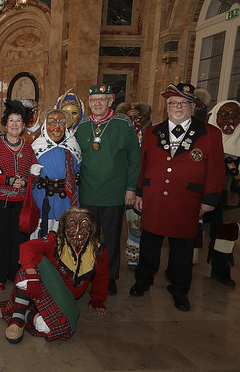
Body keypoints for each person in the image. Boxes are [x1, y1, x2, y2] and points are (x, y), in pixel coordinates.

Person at [130, 83, 225, 312]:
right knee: (149, 244)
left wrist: (209, 199)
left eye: (184, 103)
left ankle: (180, 289)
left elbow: (216, 170)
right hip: (154, 199)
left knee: (182, 250)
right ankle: (143, 280)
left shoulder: (210, 134)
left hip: (187, 202)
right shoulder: (152, 132)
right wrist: (140, 192)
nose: (178, 107)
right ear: (167, 107)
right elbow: (143, 165)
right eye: (173, 103)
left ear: (192, 107)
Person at [0, 207, 108, 343]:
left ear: (92, 229)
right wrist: (32, 277)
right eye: (72, 226)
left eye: (84, 226)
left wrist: (98, 298)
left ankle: (14, 311)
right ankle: (17, 320)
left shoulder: (98, 250)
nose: (78, 231)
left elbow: (102, 276)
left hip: (66, 298)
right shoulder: (54, 241)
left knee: (63, 329)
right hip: (46, 286)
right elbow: (26, 248)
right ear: (64, 228)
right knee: (29, 266)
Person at [74, 84, 141, 296]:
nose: (97, 104)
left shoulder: (124, 124)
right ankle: (88, 273)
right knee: (87, 236)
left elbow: (135, 158)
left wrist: (131, 188)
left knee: (111, 238)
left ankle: (110, 277)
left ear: (111, 101)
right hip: (88, 192)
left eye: (102, 99)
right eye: (94, 100)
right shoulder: (82, 126)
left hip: (114, 193)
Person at [0, 100, 39, 291]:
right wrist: (7, 180)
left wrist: (26, 180)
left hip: (21, 203)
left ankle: (15, 274)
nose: (15, 124)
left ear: (24, 125)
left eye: (18, 121)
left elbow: (35, 171)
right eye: (11, 120)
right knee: (0, 239)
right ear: (5, 124)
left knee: (19, 241)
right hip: (1, 202)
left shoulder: (28, 147)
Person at [204, 100, 240, 287]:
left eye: (235, 116)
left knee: (226, 235)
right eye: (224, 116)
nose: (230, 121)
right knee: (193, 233)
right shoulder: (206, 138)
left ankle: (219, 271)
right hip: (205, 195)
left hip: (232, 200)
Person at [31, 109, 82, 236]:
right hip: (43, 199)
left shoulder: (73, 146)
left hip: (66, 200)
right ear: (45, 126)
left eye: (61, 123)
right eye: (52, 123)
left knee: (65, 236)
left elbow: (79, 172)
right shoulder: (36, 147)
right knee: (42, 237)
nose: (57, 128)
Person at [115, 102, 152, 270]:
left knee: (135, 226)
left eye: (137, 118)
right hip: (114, 187)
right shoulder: (116, 134)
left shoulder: (148, 137)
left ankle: (133, 259)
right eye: (129, 118)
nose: (133, 121)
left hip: (136, 188)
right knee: (111, 227)